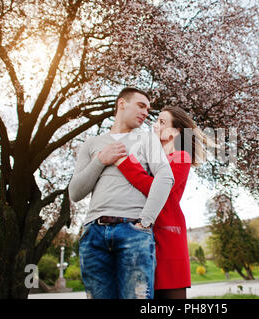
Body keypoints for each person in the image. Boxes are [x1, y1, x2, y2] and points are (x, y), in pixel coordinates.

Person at [68, 87, 175, 299]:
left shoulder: (146, 139)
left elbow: (166, 177)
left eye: (148, 109)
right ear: (121, 104)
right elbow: (75, 192)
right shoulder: (92, 144)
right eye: (141, 106)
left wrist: (146, 221)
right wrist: (100, 160)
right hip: (93, 234)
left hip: (133, 231)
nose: (145, 112)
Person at [114, 106, 212, 299]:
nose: (154, 125)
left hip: (167, 238)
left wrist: (123, 163)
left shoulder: (181, 157)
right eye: (156, 120)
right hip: (142, 234)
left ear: (175, 132)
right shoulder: (151, 157)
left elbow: (156, 188)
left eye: (161, 122)